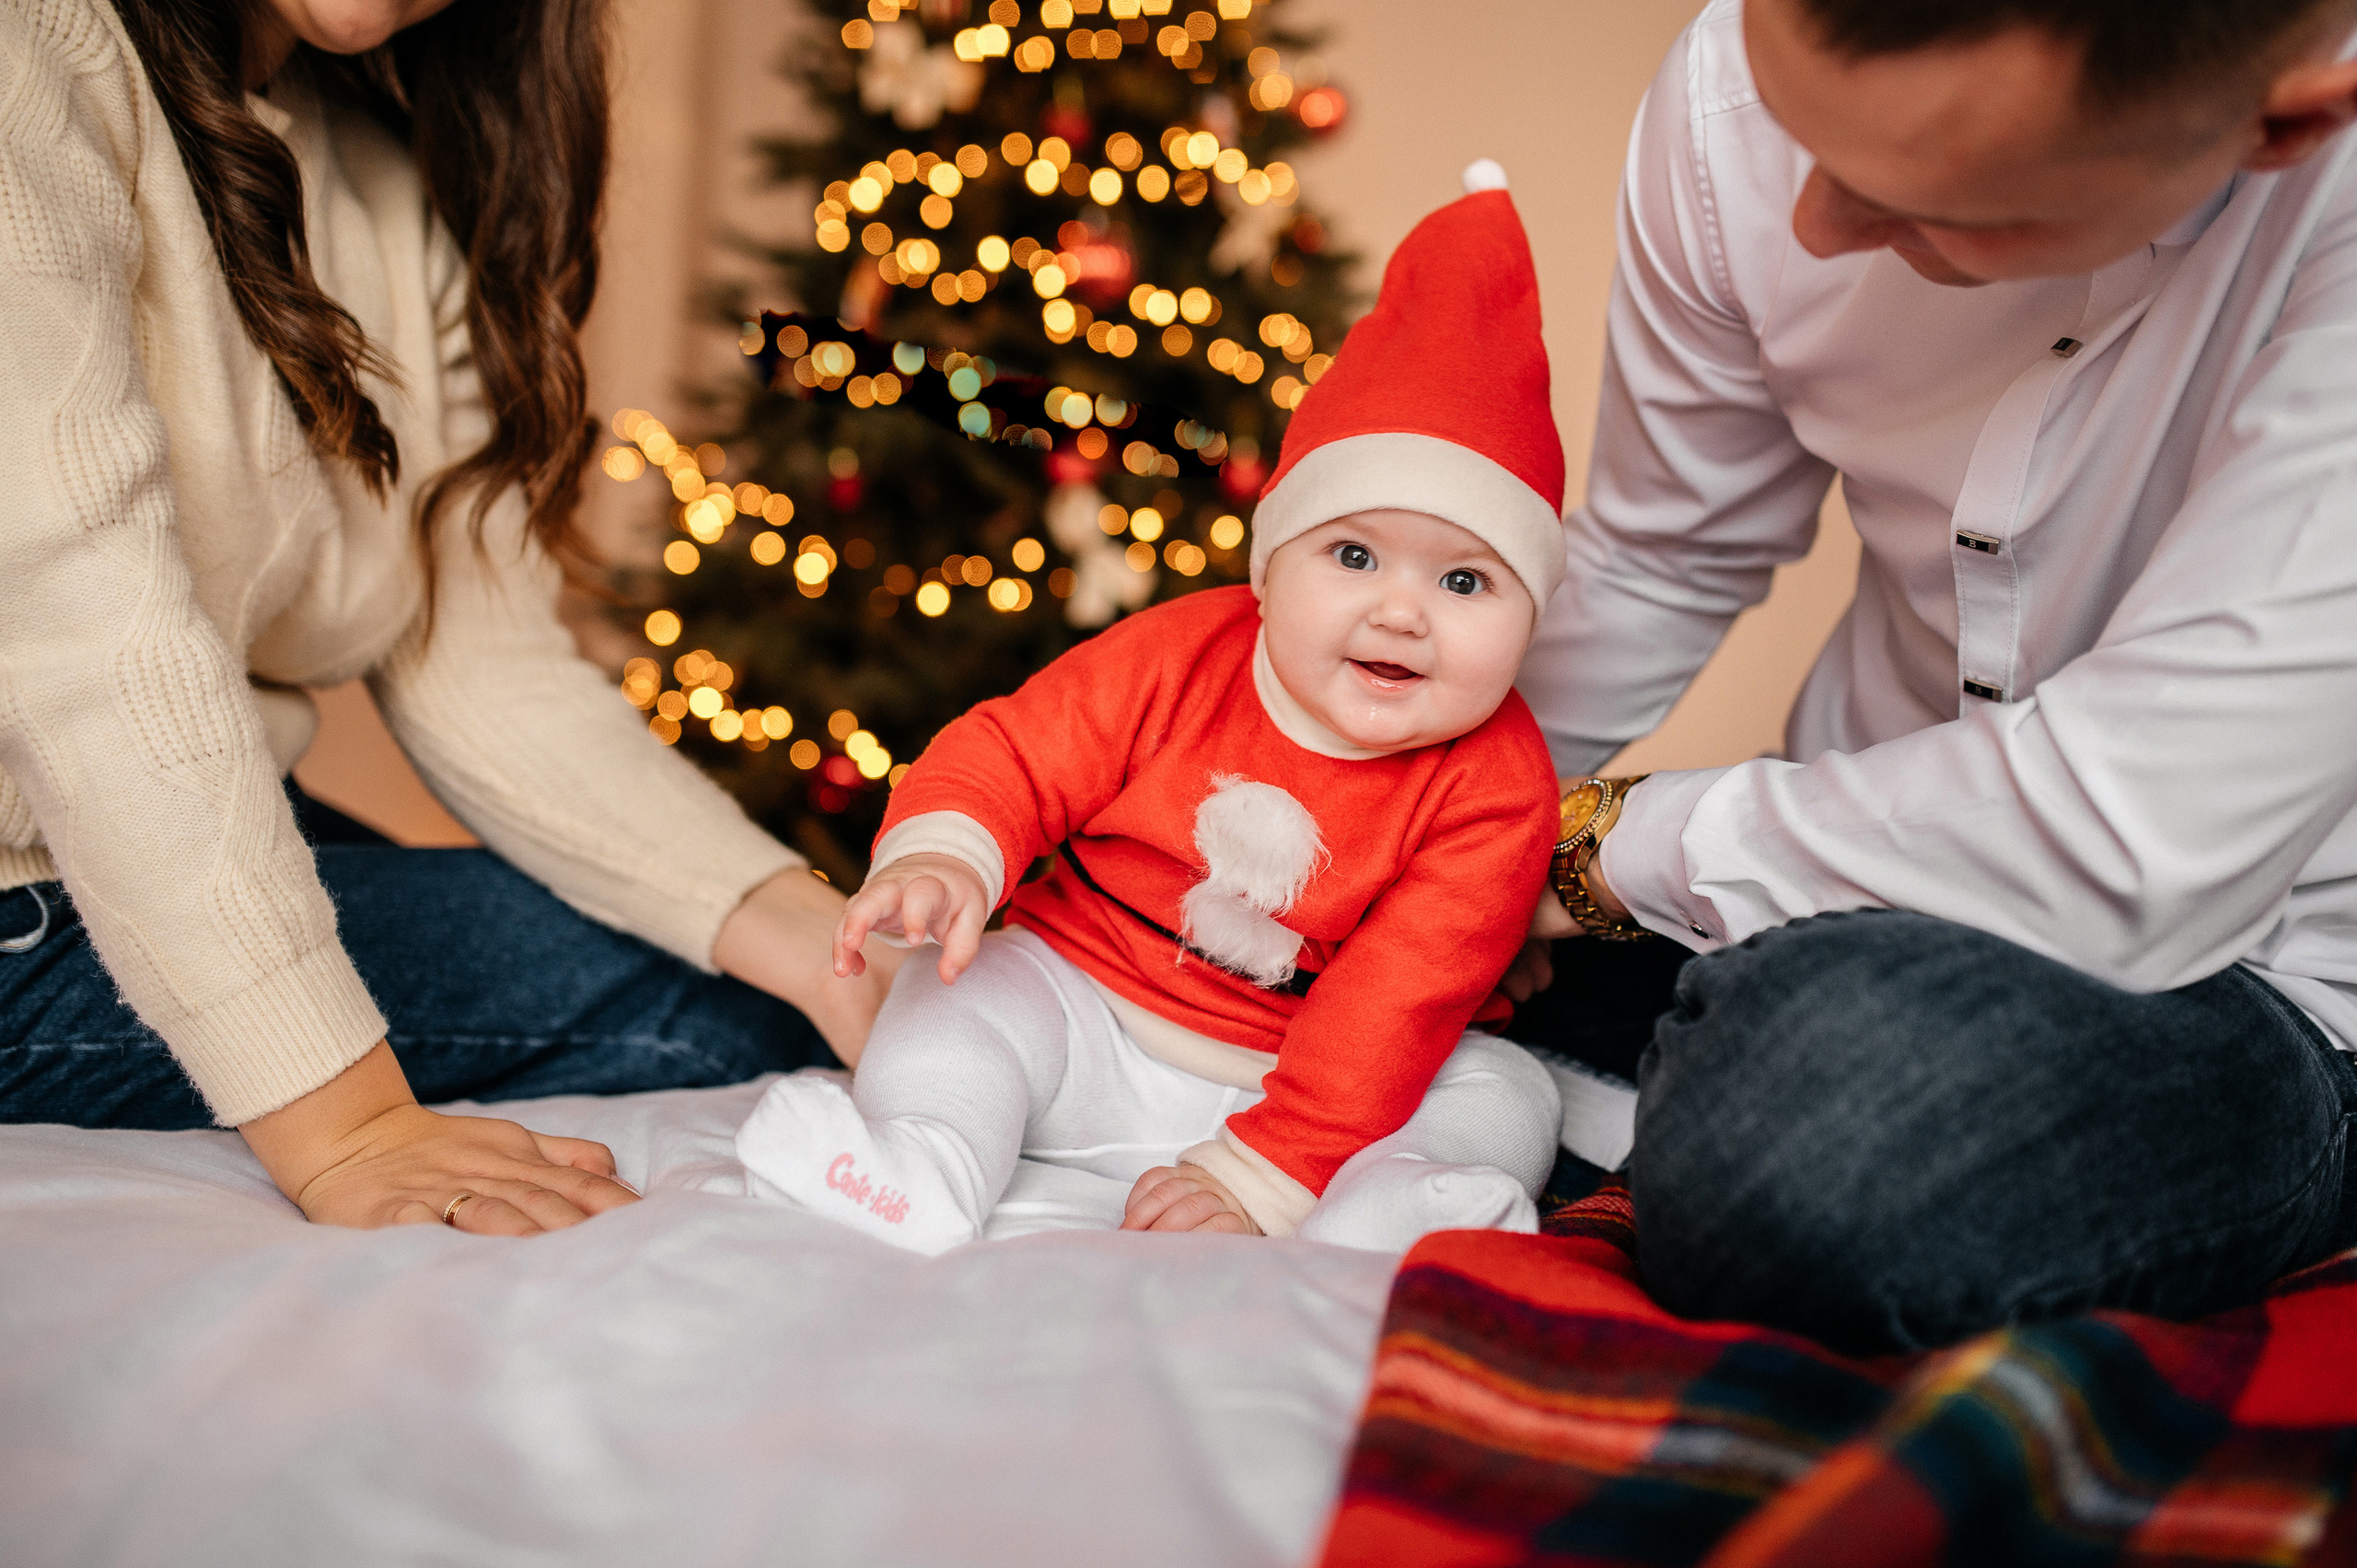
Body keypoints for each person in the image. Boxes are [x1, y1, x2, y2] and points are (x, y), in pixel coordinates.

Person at [1507, 0, 2357, 1353]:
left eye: (1939, 202)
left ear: (2279, 127)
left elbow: (2130, 836)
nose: (1812, 228)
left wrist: (1591, 848)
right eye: (1801, 137)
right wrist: (1427, 808)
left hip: (2260, 970)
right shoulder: (1734, 75)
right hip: (1813, 883)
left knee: (1815, 1139)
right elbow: (1662, 552)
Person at [0, 0, 894, 1234]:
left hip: (130, 839)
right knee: (715, 1019)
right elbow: (87, 644)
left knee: (771, 980)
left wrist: (820, 938)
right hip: (26, 884)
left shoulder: (378, 180)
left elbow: (485, 667)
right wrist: (347, 1125)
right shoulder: (29, 50)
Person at [734, 170, 1567, 1254]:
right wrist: (947, 852)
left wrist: (1262, 1175)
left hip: (1329, 1099)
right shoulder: (1185, 654)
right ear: (1271, 567)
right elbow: (1018, 752)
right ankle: (926, 1161)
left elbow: (1398, 1001)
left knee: (1504, 1091)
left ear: (1529, 617)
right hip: (1090, 1020)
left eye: (1465, 581)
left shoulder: (1497, 784)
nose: (1401, 612)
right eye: (1354, 555)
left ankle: (1399, 1213)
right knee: (959, 990)